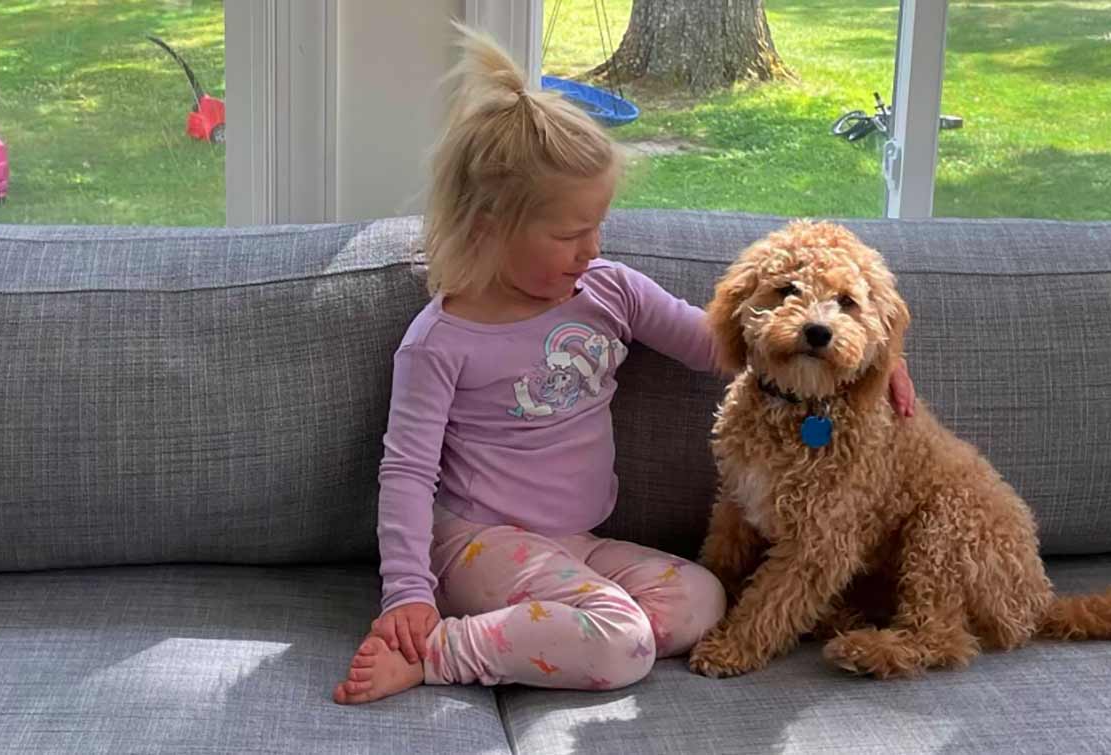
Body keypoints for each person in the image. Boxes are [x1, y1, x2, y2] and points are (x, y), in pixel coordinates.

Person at [333, 23, 916, 704]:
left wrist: (871, 356)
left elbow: (719, 344)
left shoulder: (608, 290)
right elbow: (406, 469)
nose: (592, 247)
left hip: (578, 543)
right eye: (570, 234)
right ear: (489, 225)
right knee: (625, 641)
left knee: (703, 600)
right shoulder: (441, 340)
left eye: (598, 225)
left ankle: (545, 629)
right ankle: (440, 654)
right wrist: (408, 593)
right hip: (476, 544)